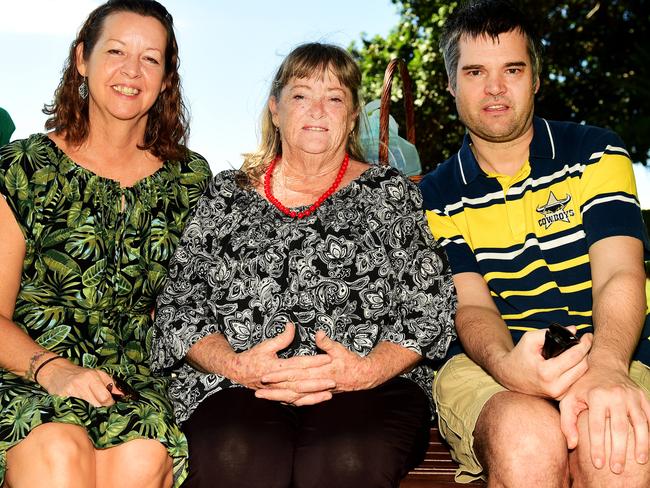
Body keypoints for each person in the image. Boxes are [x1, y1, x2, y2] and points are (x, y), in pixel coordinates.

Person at [150, 42, 457, 488]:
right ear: (275, 109)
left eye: (334, 97)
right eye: (301, 95)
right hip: (237, 386)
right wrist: (238, 367)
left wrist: (363, 371)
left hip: (370, 387)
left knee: (345, 460)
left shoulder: (389, 193)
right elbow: (181, 306)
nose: (318, 109)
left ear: (352, 116)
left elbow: (429, 308)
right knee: (234, 456)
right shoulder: (226, 194)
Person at [420, 0, 650, 486]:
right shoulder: (435, 195)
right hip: (492, 361)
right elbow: (473, 306)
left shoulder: (595, 152)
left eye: (513, 69)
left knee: (615, 446)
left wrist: (607, 367)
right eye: (475, 71)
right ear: (450, 83)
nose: (495, 88)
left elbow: (619, 271)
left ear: (536, 78)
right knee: (526, 440)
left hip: (616, 346)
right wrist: (509, 368)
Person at [0, 1, 212, 486]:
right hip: (26, 369)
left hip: (136, 381)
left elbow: (194, 306)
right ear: (82, 59)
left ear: (165, 79)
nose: (131, 71)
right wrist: (52, 370)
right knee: (56, 449)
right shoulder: (23, 168)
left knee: (140, 457)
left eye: (151, 58)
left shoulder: (191, 180)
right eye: (116, 51)